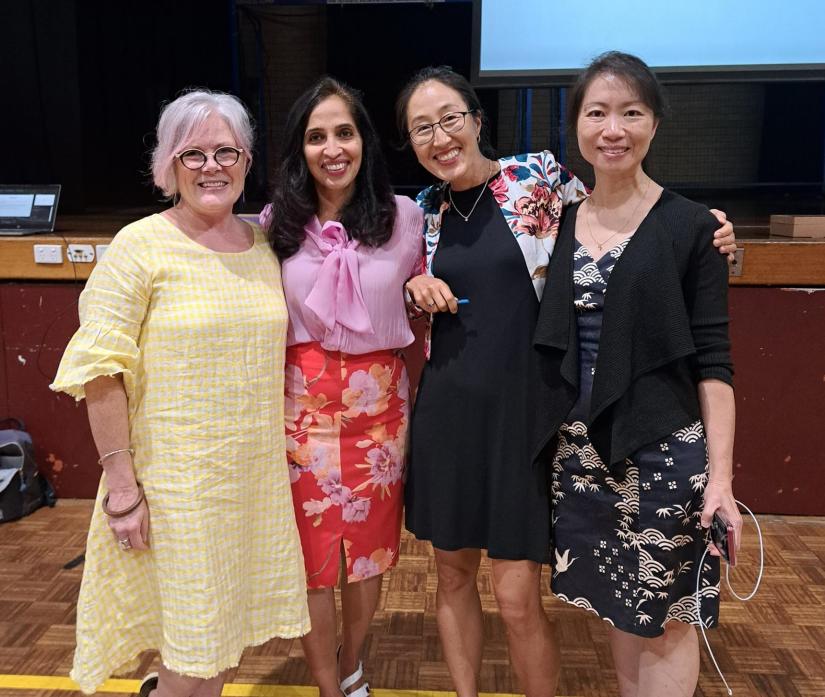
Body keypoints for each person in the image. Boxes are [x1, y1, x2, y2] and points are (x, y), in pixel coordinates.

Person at [396, 66, 737, 697]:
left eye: (450, 118)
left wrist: (708, 231)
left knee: (519, 596)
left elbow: (629, 207)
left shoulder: (540, 180)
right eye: (422, 128)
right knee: (449, 576)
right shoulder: (418, 215)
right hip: (448, 414)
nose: (440, 137)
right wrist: (414, 284)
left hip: (529, 417)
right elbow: (397, 288)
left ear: (476, 119)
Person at [50, 89, 310, 697]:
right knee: (191, 649)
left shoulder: (264, 247)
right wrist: (122, 488)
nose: (211, 166)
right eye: (192, 153)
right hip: (175, 488)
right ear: (168, 164)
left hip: (249, 485)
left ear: (247, 161)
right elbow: (101, 370)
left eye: (226, 151)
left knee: (223, 640)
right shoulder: (139, 246)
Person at [533, 51, 743, 697]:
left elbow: (714, 361)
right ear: (575, 126)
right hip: (581, 453)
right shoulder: (559, 222)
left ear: (653, 124)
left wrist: (721, 480)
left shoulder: (693, 227)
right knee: (619, 604)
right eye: (596, 112)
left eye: (631, 112)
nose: (612, 128)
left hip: (662, 453)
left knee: (666, 620)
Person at [264, 77, 423, 697]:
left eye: (345, 132)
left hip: (378, 409)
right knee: (310, 558)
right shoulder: (278, 221)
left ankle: (352, 664)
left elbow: (441, 270)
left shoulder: (405, 216)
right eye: (316, 136)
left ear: (365, 141)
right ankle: (329, 686)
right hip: (297, 408)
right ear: (299, 149)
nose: (332, 148)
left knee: (367, 551)